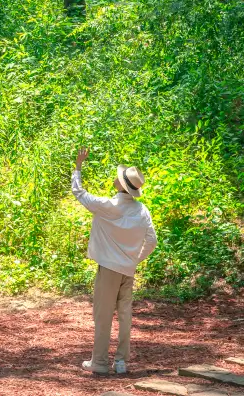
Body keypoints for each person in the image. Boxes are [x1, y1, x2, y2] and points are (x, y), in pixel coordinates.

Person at [72, 147, 157, 376]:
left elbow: (79, 192)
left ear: (121, 185)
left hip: (109, 269)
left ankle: (99, 362)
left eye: (118, 178)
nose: (115, 179)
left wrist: (78, 166)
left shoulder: (108, 206)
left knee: (103, 315)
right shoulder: (142, 211)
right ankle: (121, 362)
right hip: (128, 270)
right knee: (125, 316)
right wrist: (134, 260)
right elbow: (152, 240)